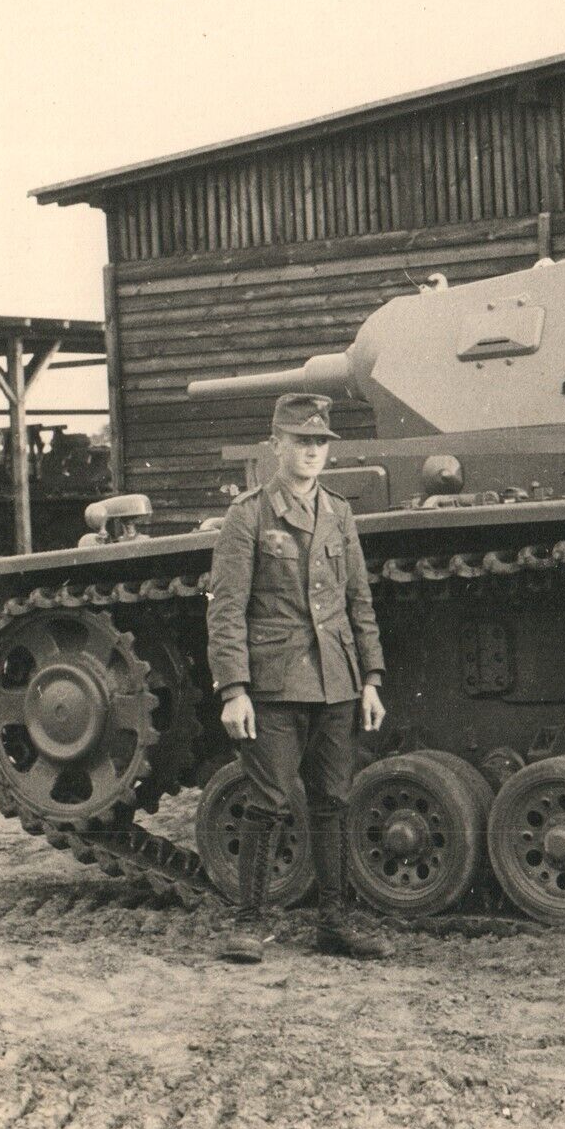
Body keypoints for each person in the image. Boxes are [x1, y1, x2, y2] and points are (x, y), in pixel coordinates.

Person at [206, 393, 391, 963]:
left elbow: (359, 600)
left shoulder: (339, 512)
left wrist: (372, 677)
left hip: (337, 680)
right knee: (267, 799)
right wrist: (234, 690)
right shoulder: (249, 514)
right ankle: (248, 922)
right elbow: (226, 607)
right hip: (274, 683)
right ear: (276, 446)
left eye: (319, 443)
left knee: (333, 800)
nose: (311, 452)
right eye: (300, 441)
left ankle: (333, 923)